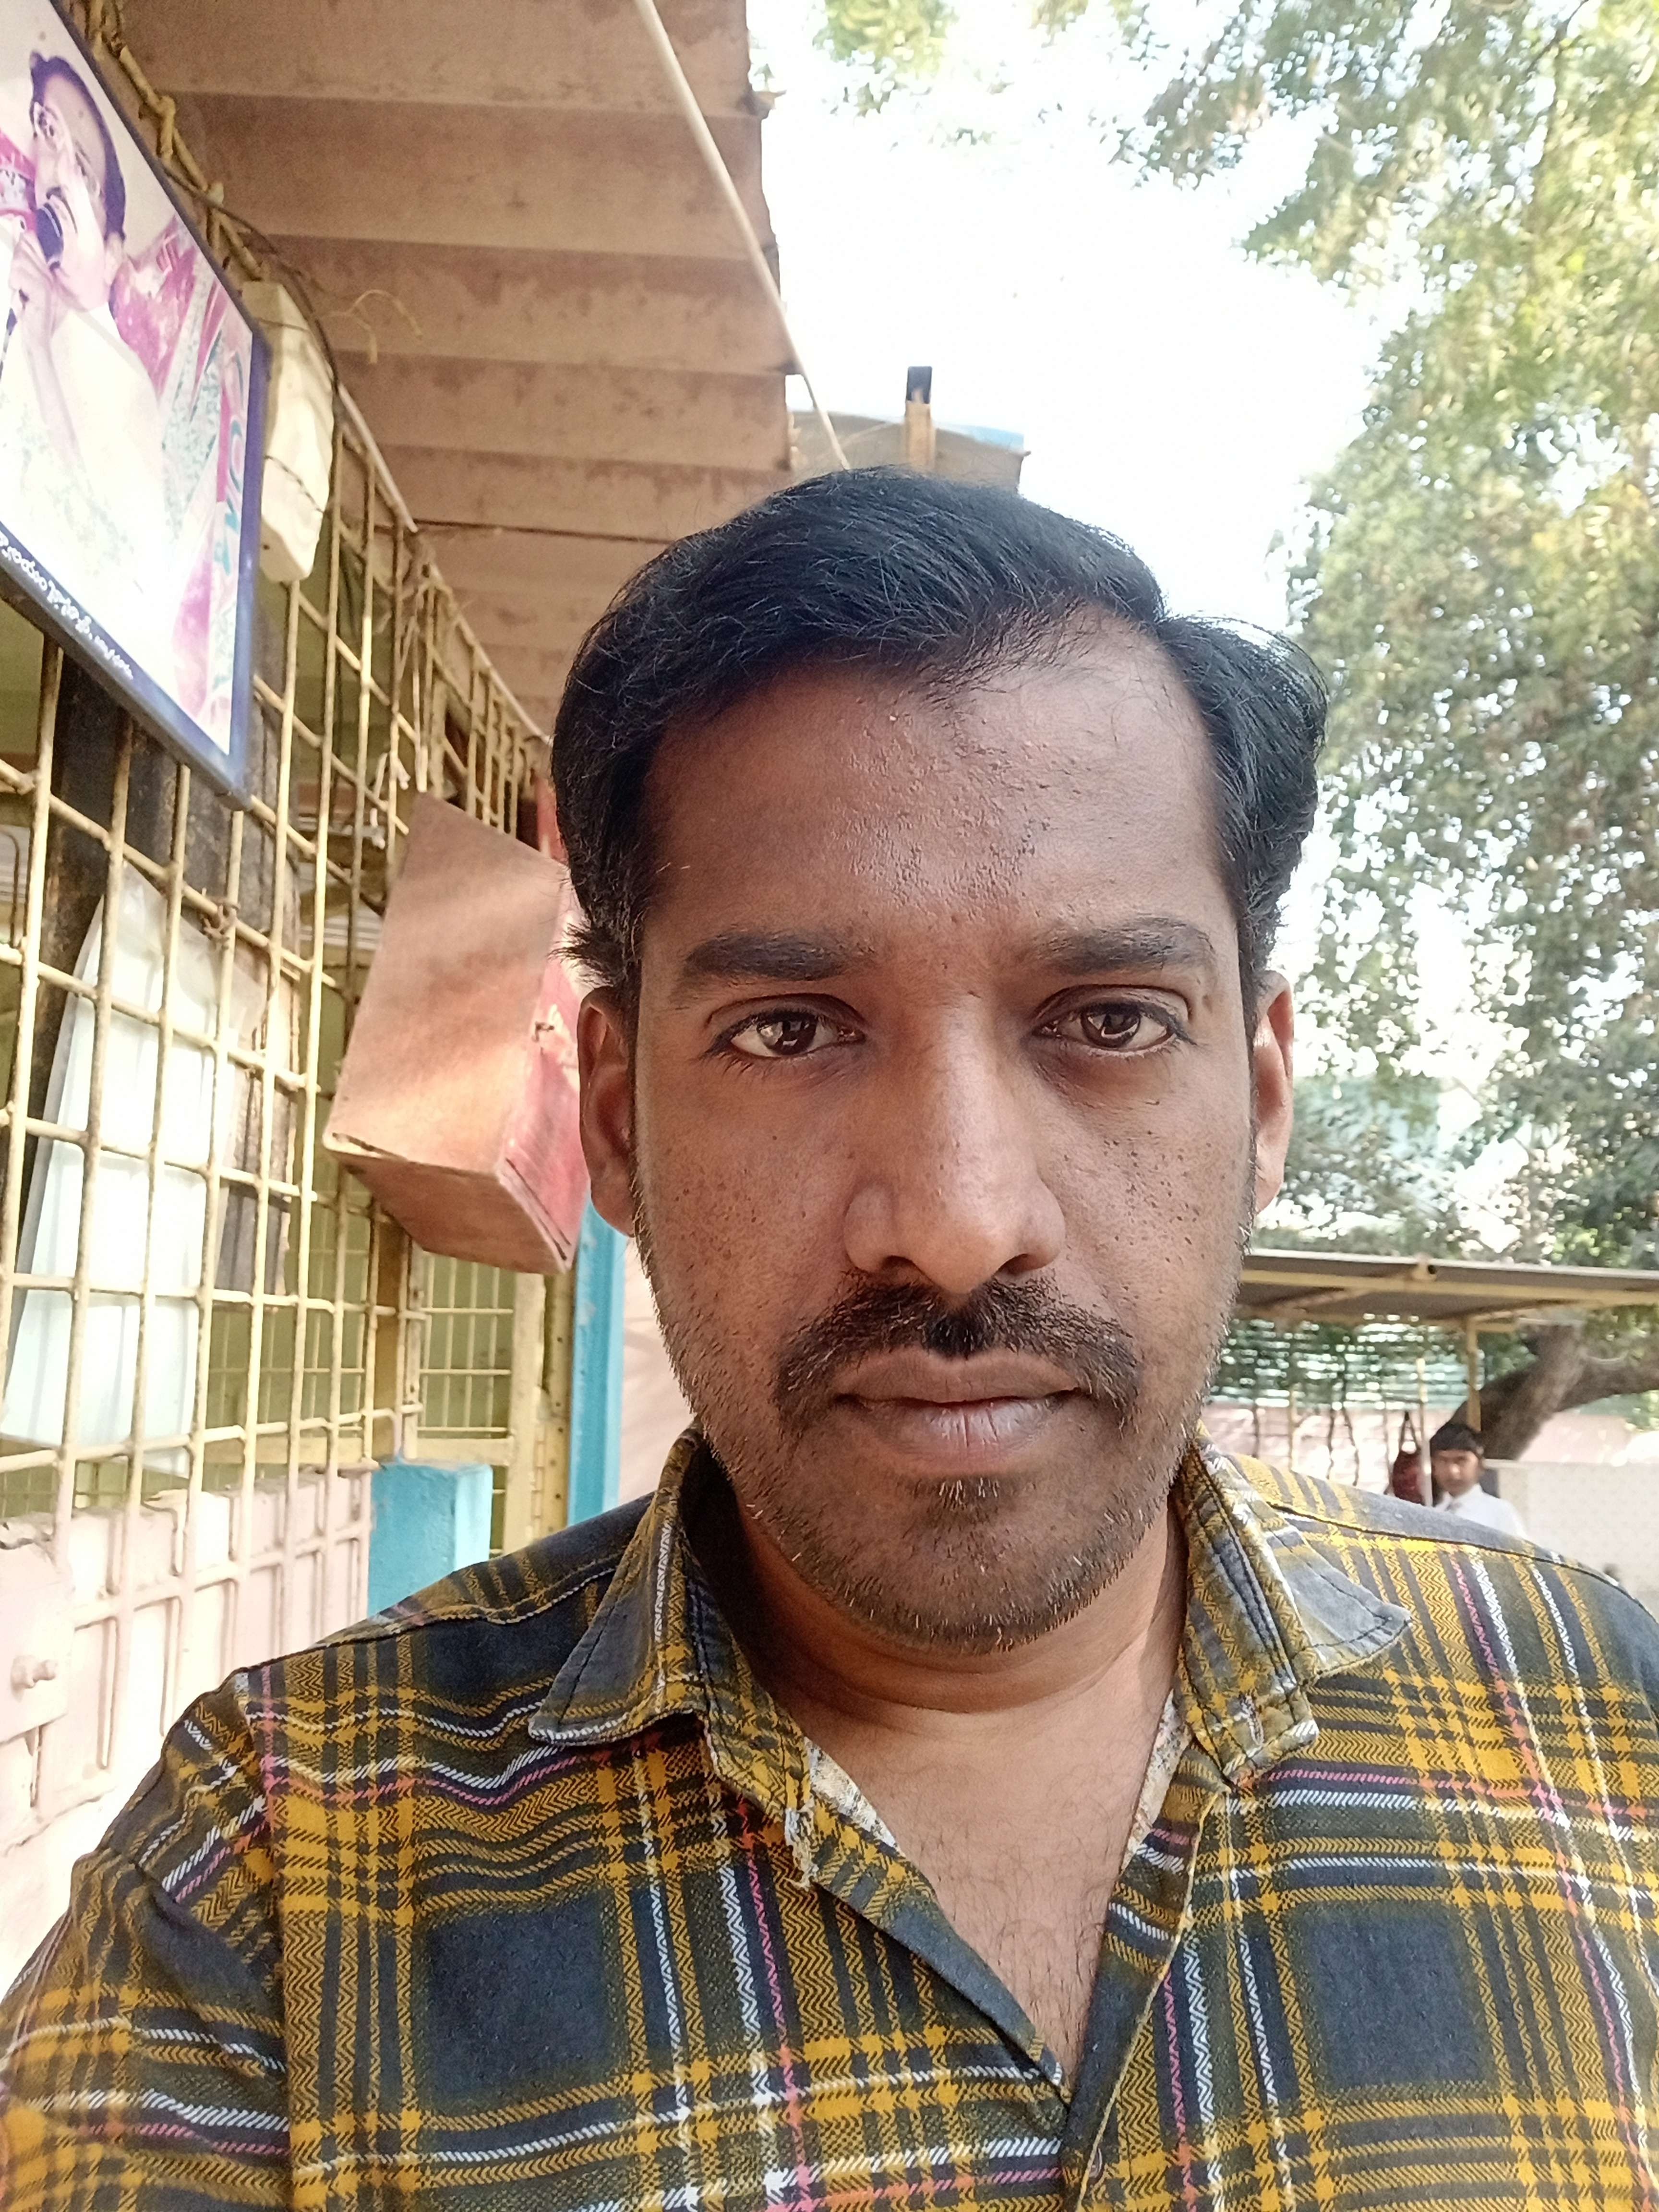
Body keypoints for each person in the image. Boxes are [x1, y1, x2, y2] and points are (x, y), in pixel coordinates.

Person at [5, 471, 1659, 2209]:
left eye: (1108, 1019)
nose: (955, 1218)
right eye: (790, 1029)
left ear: (1259, 1099)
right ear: (620, 1121)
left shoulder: (1597, 1717)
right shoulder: (274, 1884)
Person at [0, 52, 171, 685]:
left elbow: (113, 571)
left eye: (87, 176)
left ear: (115, 254)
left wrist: (40, 351)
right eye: (49, 133)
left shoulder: (126, 385)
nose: (61, 172)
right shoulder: (14, 266)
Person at [1430, 1416, 1526, 1536]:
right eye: (1443, 1461)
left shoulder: (1500, 1513)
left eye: (1461, 1461)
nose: (1452, 1471)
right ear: (1434, 1466)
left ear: (1480, 1466)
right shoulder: (1433, 1515)